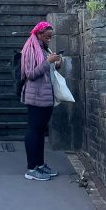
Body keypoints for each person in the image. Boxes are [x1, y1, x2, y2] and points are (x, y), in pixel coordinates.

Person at [20, 21, 62, 180]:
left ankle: (40, 164)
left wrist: (57, 63)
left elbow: (47, 69)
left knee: (40, 131)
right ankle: (31, 169)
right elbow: (30, 74)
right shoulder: (31, 49)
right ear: (38, 34)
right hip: (36, 96)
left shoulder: (43, 48)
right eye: (47, 36)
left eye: (51, 37)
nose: (49, 39)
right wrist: (48, 62)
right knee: (33, 130)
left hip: (45, 95)